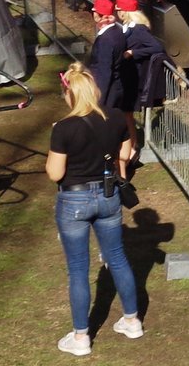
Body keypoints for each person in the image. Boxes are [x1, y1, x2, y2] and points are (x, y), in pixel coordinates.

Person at [47, 62, 143, 356]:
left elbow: (54, 173)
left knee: (78, 269)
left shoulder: (63, 128)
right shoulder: (115, 117)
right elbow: (126, 153)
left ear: (69, 94)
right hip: (108, 196)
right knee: (117, 257)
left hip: (74, 201)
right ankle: (132, 321)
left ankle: (80, 338)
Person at [115, 0, 166, 111]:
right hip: (128, 72)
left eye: (118, 10)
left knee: (127, 109)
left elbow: (157, 47)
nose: (117, 13)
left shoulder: (139, 29)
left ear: (123, 12)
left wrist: (134, 52)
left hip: (135, 74)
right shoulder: (127, 27)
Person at [88, 0, 127, 111]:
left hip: (107, 93)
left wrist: (99, 100)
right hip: (116, 88)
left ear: (96, 15)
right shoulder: (117, 31)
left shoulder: (106, 40)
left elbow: (104, 71)